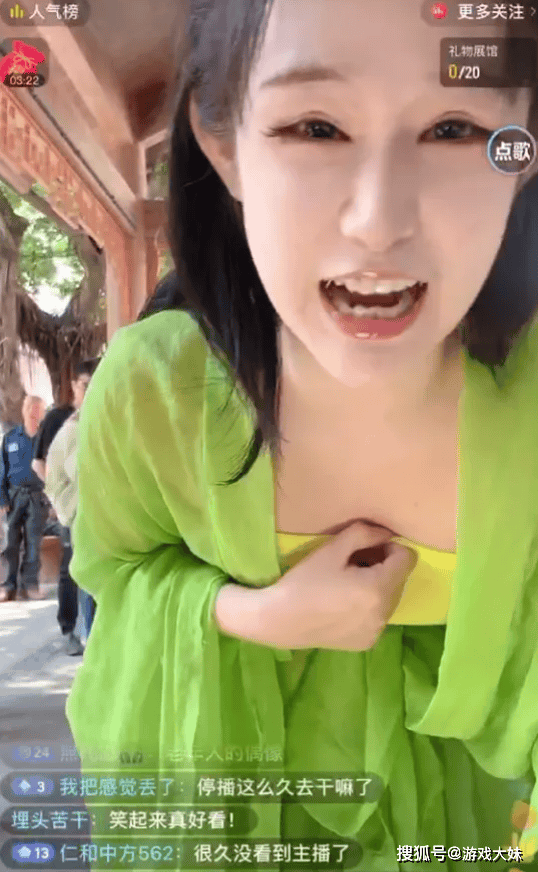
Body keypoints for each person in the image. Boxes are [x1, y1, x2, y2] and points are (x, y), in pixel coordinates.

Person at [66, 1, 538, 868]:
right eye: (316, 127)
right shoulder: (154, 396)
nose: (379, 220)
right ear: (222, 144)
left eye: (454, 128)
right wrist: (253, 617)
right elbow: (117, 582)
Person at [32, 362, 96, 655]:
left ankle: (93, 636)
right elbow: (39, 463)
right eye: (84, 384)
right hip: (71, 511)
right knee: (71, 572)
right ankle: (70, 629)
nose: (89, 389)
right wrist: (60, 500)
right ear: (74, 386)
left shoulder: (102, 414)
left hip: (97, 511)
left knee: (93, 572)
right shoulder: (58, 419)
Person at [0, 395, 47, 602]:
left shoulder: (46, 438)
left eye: (38, 409)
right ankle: (8, 586)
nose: (34, 413)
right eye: (31, 408)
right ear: (25, 411)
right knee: (10, 543)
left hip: (37, 498)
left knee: (33, 544)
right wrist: (2, 499)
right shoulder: (10, 438)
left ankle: (30, 585)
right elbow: (1, 470)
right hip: (13, 497)